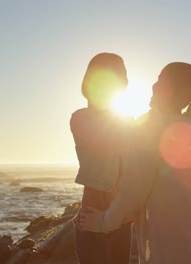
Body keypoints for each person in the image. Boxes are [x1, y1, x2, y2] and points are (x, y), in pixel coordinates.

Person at [78, 62, 191, 264]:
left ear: (169, 90)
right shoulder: (190, 130)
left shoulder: (152, 130)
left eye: (160, 81)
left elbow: (134, 190)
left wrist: (102, 222)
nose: (153, 85)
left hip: (170, 248)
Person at [70, 52, 132, 264]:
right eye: (121, 74)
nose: (126, 80)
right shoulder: (81, 119)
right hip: (93, 221)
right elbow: (111, 143)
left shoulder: (126, 121)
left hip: (120, 220)